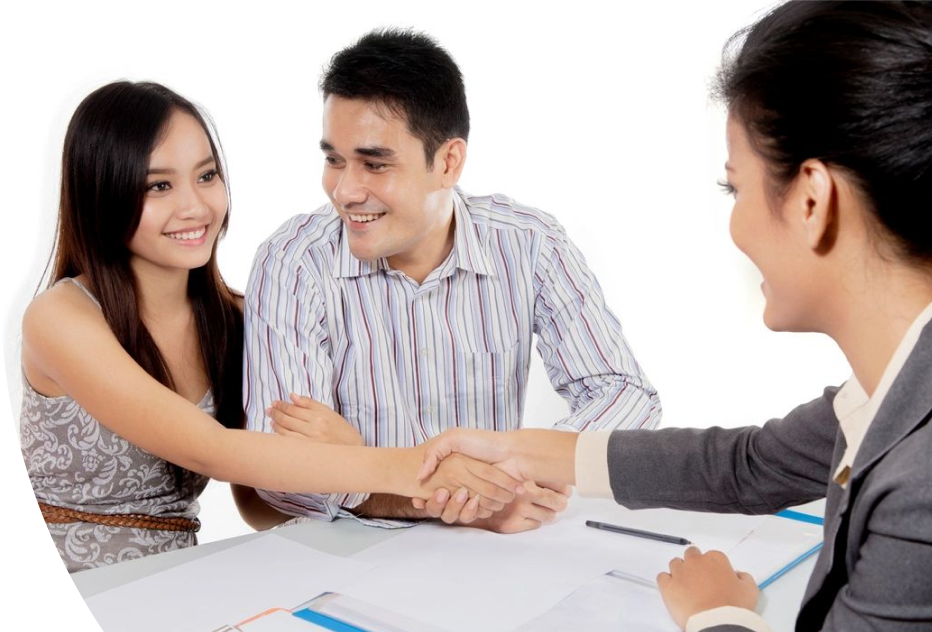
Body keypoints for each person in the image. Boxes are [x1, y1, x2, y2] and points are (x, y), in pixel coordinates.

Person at [417, 0, 932, 629]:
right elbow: (749, 464)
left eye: (735, 188)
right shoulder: (896, 389)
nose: (735, 222)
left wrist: (719, 616)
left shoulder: (920, 493)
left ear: (812, 201)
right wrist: (520, 448)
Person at [19, 81, 522, 573]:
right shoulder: (61, 317)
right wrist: (418, 467)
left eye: (207, 176)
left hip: (174, 577)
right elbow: (213, 452)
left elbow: (260, 504)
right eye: (159, 185)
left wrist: (405, 497)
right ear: (102, 193)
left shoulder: (234, 318)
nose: (195, 207)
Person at [248, 29, 663, 532]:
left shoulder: (530, 244)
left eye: (374, 164)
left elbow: (624, 391)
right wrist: (459, 497)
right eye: (334, 159)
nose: (344, 190)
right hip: (351, 553)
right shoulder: (293, 262)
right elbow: (278, 469)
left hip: (498, 553)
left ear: (448, 162)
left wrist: (519, 470)